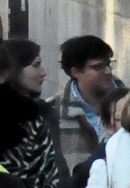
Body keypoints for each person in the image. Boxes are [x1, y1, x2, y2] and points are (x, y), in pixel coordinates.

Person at [51, 35, 125, 170]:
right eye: (98, 67)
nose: (108, 71)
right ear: (75, 72)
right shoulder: (53, 111)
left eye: (109, 64)